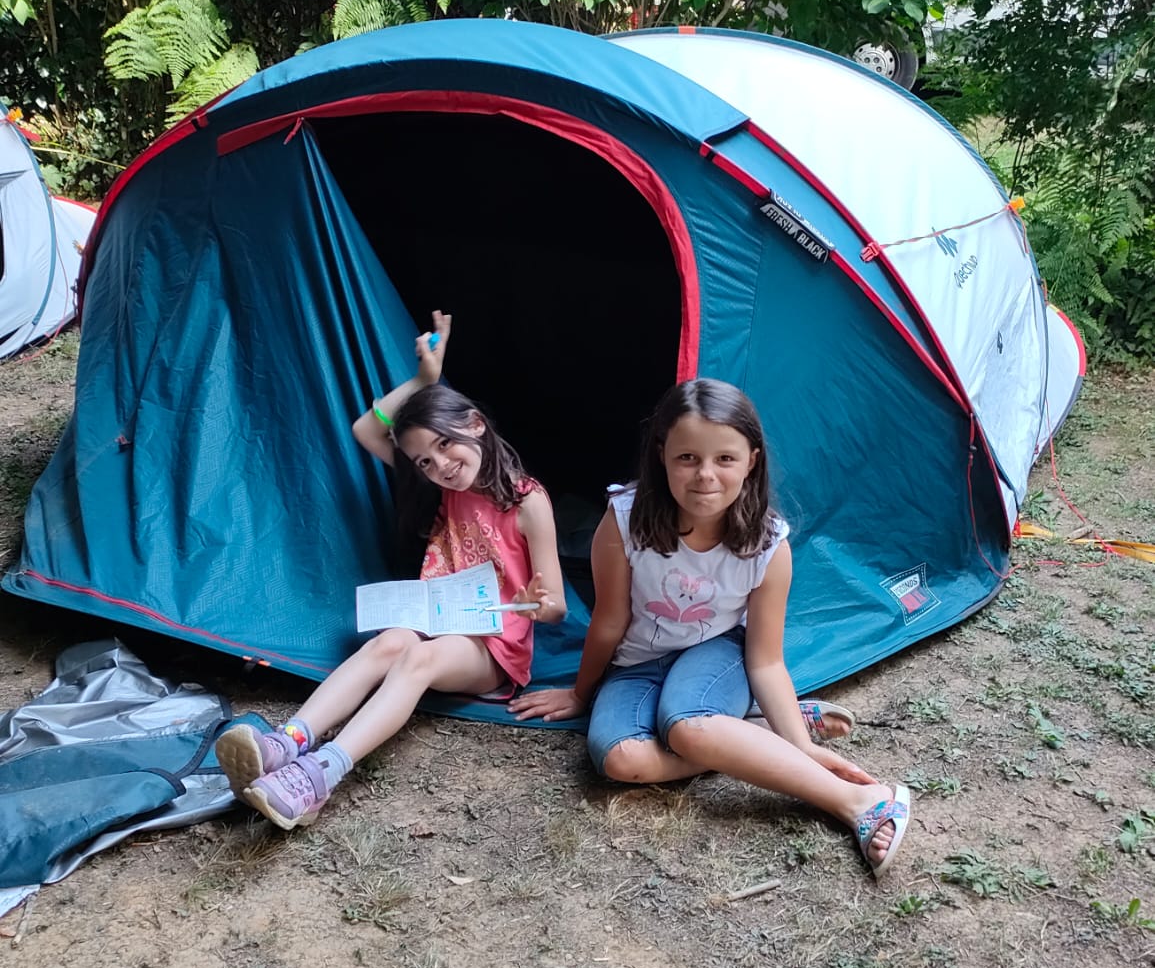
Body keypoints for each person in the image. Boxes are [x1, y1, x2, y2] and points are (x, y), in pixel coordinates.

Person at [512, 378, 909, 878]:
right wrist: (580, 692)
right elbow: (610, 621)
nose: (705, 475)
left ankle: (857, 800)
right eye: (687, 458)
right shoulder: (625, 519)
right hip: (638, 664)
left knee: (686, 725)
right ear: (662, 455)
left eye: (725, 459)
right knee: (618, 759)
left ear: (751, 461)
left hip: (718, 652)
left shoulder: (769, 545)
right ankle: (749, 735)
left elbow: (765, 660)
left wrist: (804, 749)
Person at [219, 312, 565, 830]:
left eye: (444, 444)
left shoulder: (527, 501)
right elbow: (366, 429)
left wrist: (541, 603)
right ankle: (288, 742)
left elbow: (556, 606)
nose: (440, 465)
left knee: (417, 657)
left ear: (475, 424)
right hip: (437, 621)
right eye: (423, 461)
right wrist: (424, 379)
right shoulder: (444, 490)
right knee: (387, 643)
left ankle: (320, 774)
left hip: (491, 647)